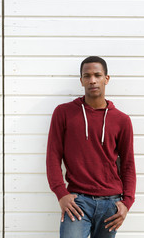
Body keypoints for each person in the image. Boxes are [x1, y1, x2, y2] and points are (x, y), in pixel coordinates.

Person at [46, 56, 136, 238]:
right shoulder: (63, 113)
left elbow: (128, 165)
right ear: (81, 80)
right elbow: (53, 157)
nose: (92, 80)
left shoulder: (122, 120)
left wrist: (127, 202)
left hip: (111, 204)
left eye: (97, 75)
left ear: (106, 79)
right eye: (87, 76)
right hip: (78, 203)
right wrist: (61, 193)